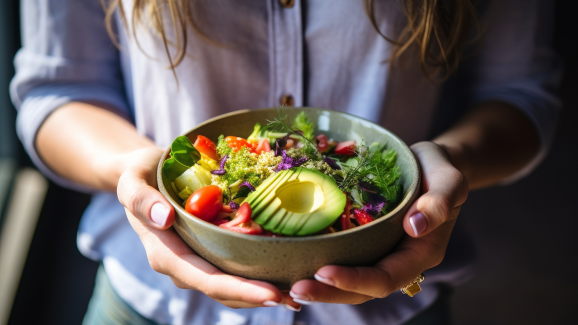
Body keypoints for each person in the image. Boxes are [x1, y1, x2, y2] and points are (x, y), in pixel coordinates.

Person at [10, 0, 560, 324]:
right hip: (151, 305)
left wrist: (448, 162)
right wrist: (133, 169)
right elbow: (59, 91)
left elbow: (520, 96)